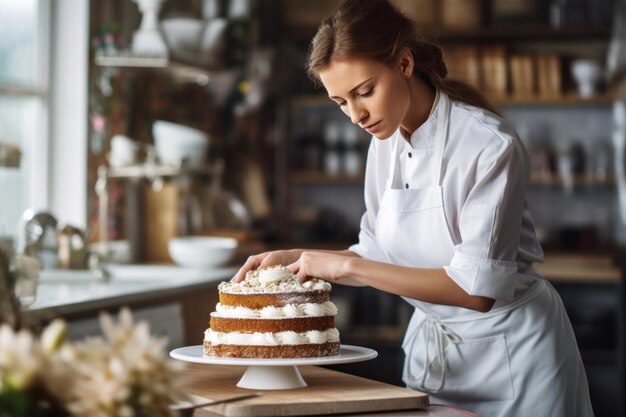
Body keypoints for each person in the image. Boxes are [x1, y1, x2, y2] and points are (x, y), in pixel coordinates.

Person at [233, 0, 594, 415]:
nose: (356, 115)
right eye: (340, 102)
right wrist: (295, 259)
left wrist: (345, 267)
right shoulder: (382, 143)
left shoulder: (488, 146)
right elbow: (375, 254)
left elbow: (477, 291)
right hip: (436, 358)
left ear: (404, 64)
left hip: (516, 358)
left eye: (364, 91)